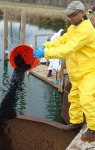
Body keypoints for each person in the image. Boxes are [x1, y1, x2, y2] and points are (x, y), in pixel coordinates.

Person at [33, 1, 95, 142]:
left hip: (89, 71)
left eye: (72, 15)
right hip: (78, 72)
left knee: (87, 99)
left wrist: (46, 53)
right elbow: (62, 41)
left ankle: (94, 129)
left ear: (82, 13)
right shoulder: (74, 27)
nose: (70, 18)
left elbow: (68, 48)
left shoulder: (86, 30)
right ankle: (76, 122)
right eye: (68, 15)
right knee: (74, 98)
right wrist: (45, 45)